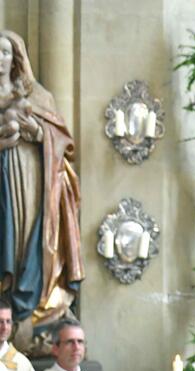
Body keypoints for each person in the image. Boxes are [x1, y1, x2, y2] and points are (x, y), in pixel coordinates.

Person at [0, 31, 84, 343]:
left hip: (31, 181)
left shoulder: (38, 96)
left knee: (28, 239)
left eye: (6, 52)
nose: (0, 59)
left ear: (16, 58)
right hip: (1, 186)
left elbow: (64, 144)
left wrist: (36, 131)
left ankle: (27, 306)